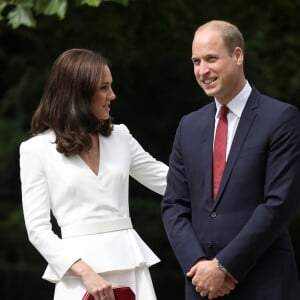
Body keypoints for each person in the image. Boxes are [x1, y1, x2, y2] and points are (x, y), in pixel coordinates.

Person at [161, 20, 300, 300]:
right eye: (196, 61)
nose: (202, 71)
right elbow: (174, 204)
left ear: (238, 56)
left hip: (265, 283)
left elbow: (278, 204)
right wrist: (198, 265)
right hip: (201, 285)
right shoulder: (188, 126)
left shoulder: (281, 119)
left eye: (211, 59)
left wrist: (225, 267)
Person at [19, 48, 168, 300]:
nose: (112, 95)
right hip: (78, 277)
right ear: (77, 93)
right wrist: (85, 272)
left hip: (130, 266)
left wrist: (227, 179)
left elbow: (169, 182)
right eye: (103, 87)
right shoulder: (35, 150)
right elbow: (37, 230)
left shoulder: (120, 137)